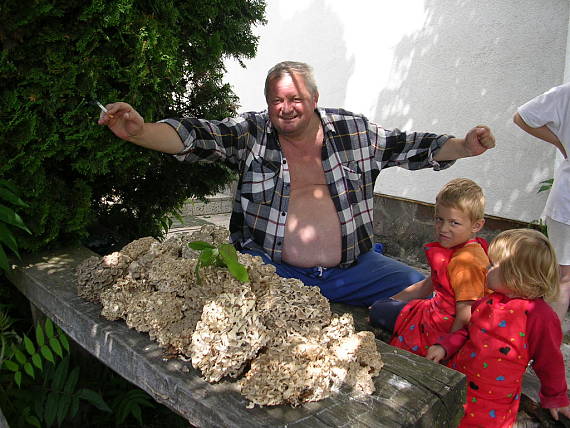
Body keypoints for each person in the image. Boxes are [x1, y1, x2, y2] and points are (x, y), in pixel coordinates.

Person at [98, 60, 495, 307]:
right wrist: (139, 131)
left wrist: (463, 146)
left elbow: (407, 146)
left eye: (296, 98)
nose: (285, 108)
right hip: (272, 271)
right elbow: (198, 136)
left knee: (428, 292)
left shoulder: (352, 131)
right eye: (276, 101)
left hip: (355, 269)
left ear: (315, 98)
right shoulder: (253, 131)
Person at [426, 229, 570, 427]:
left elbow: (550, 360)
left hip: (494, 404)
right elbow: (468, 331)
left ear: (515, 275)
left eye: (494, 265)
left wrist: (556, 397)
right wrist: (445, 346)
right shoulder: (488, 302)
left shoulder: (538, 315)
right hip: (460, 383)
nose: (486, 268)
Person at [369, 178, 490, 357]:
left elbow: (466, 314)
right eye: (439, 220)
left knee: (379, 312)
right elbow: (426, 286)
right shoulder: (461, 248)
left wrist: (447, 346)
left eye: (454, 223)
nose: (443, 228)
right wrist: (392, 299)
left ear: (477, 225)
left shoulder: (465, 262)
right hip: (433, 312)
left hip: (444, 327)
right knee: (381, 306)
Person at [514, 84, 570, 327]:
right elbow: (522, 117)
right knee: (563, 277)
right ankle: (546, 342)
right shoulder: (566, 93)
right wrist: (560, 143)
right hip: (567, 204)